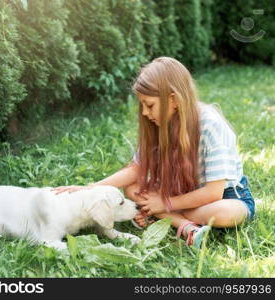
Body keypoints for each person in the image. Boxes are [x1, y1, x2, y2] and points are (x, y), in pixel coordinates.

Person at [52, 57, 255, 248]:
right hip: (180, 192)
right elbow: (137, 169)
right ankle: (186, 226)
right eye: (142, 105)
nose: (144, 113)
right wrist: (91, 188)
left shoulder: (210, 124)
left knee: (225, 214)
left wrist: (164, 204)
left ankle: (168, 215)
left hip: (221, 197)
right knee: (132, 188)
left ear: (174, 100)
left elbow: (213, 192)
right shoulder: (160, 125)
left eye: (149, 105)